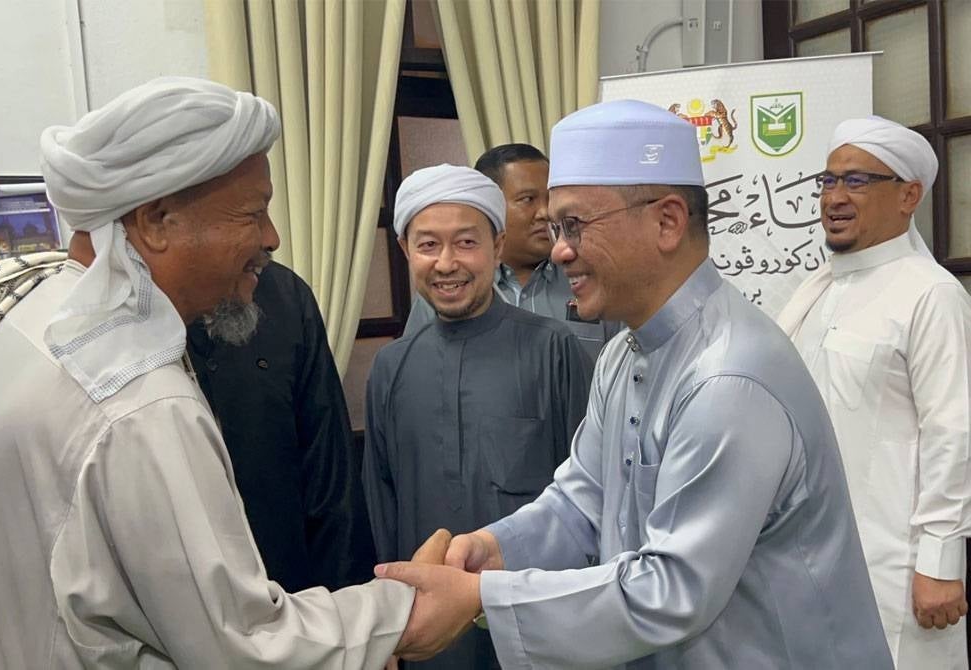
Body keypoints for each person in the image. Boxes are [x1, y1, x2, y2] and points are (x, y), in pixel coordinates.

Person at [376, 99, 893, 668]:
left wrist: (482, 598)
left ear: (667, 221)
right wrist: (491, 551)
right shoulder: (624, 353)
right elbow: (582, 501)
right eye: (554, 227)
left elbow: (672, 592)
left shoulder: (728, 375)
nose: (560, 249)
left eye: (574, 225)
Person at [0, 77, 430, 668]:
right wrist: (405, 613)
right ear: (157, 219)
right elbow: (243, 649)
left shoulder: (27, 305)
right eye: (253, 213)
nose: (272, 237)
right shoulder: (139, 402)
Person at [363, 163, 590, 669]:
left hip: (536, 623)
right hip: (432, 632)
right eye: (427, 246)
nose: (447, 264)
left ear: (497, 244)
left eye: (466, 243)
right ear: (405, 251)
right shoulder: (391, 368)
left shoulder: (554, 349)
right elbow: (383, 507)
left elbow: (589, 496)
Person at [778, 115, 971, 669]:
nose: (834, 197)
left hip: (894, 564)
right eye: (828, 180)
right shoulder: (813, 290)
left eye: (857, 181)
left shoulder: (930, 295)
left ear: (909, 195)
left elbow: (952, 436)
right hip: (806, 554)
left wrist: (940, 560)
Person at [187, 260, 377, 593]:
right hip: (186, 607)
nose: (270, 237)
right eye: (247, 215)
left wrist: (350, 610)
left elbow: (330, 477)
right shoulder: (127, 322)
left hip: (295, 597)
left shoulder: (285, 296)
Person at [403, 144, 620, 367]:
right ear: (492, 207)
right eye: (528, 199)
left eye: (549, 199)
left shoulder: (589, 279)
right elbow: (418, 370)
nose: (546, 212)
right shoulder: (449, 288)